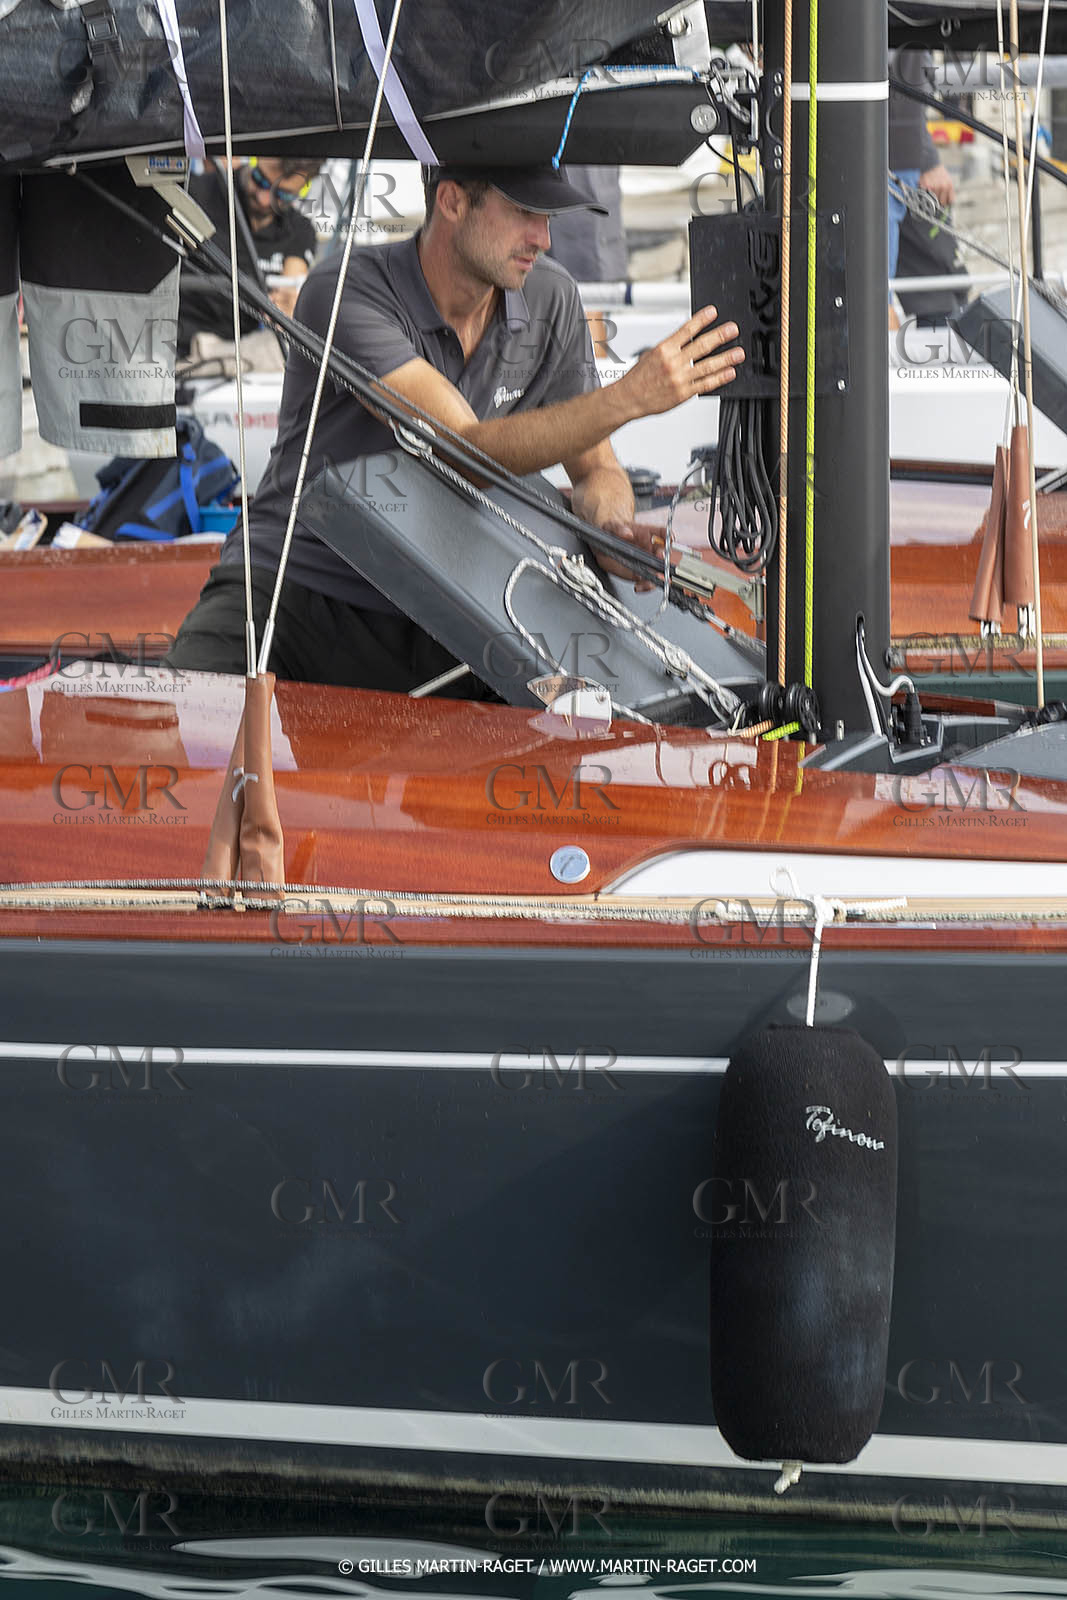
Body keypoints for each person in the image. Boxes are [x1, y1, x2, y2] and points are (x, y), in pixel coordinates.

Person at [165, 163, 744, 693]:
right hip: (294, 587)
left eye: (548, 218)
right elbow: (458, 451)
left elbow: (597, 469)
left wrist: (610, 531)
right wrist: (630, 397)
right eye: (523, 213)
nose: (543, 238)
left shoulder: (553, 297)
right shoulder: (343, 291)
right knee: (190, 734)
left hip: (448, 600)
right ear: (451, 201)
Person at [176, 156, 322, 357]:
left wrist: (291, 305)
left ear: (303, 190)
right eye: (259, 180)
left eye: (282, 194)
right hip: (179, 343)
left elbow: (292, 285)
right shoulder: (196, 192)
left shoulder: (300, 230)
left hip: (242, 357)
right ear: (251, 162)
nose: (263, 199)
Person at [889, 49, 957, 296]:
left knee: (944, 293)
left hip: (900, 162)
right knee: (874, 299)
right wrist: (928, 161)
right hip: (894, 166)